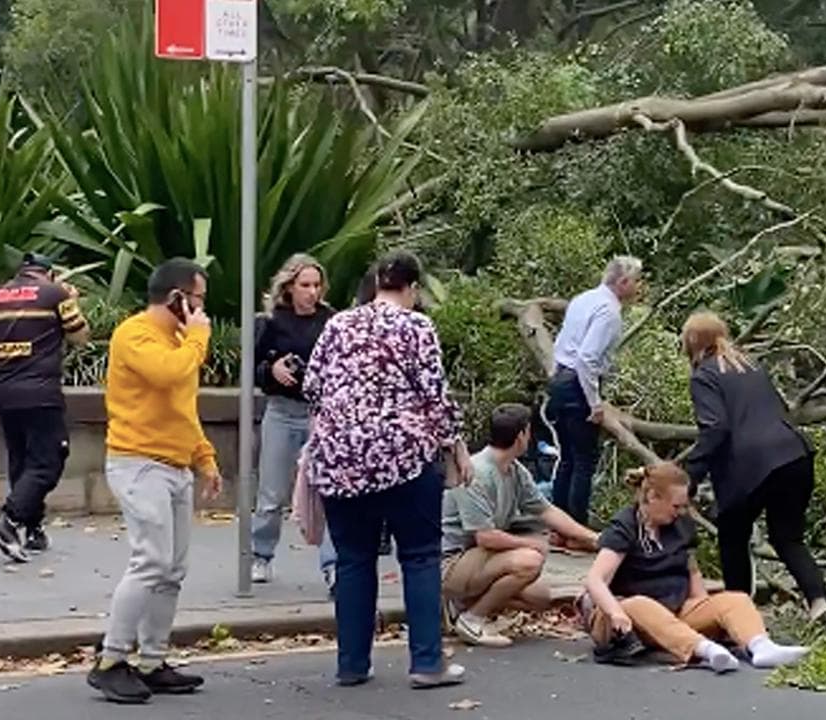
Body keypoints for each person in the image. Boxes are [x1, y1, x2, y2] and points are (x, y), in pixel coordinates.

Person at [303, 250, 471, 689]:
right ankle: (426, 663)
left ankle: (352, 664)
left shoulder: (337, 323)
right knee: (418, 556)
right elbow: (435, 395)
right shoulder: (417, 326)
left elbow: (312, 387)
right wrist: (456, 444)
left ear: (377, 283)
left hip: (340, 459)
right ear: (412, 288)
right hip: (403, 457)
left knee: (354, 560)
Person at [86, 258, 224, 704]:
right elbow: (169, 373)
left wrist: (205, 457)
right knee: (150, 561)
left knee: (173, 569)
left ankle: (151, 660)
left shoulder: (180, 341)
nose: (204, 309)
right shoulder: (136, 334)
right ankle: (110, 660)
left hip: (176, 465)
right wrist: (199, 335)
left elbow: (182, 405)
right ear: (177, 298)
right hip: (138, 462)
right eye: (199, 299)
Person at [582, 462, 809, 671]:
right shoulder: (625, 527)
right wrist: (615, 612)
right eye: (675, 506)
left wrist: (706, 608)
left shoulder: (680, 526)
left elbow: (692, 571)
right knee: (639, 605)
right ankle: (705, 650)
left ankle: (761, 647)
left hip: (673, 613)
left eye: (683, 506)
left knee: (735, 599)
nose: (680, 512)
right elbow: (595, 580)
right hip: (624, 620)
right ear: (652, 496)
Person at [680, 311, 826, 622]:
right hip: (795, 455)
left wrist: (688, 478)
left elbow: (716, 429)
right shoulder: (751, 366)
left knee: (732, 535)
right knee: (788, 538)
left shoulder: (704, 375)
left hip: (751, 465)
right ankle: (819, 602)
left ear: (692, 342)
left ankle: (740, 615)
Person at [441, 404, 599, 648]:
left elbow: (547, 511)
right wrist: (531, 543)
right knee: (528, 560)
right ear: (521, 436)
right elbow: (485, 537)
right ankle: (472, 619)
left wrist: (595, 539)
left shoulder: (515, 471)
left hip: (481, 559)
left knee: (539, 598)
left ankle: (463, 608)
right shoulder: (477, 472)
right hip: (450, 563)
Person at [0, 252, 89, 562]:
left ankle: (33, 530)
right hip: (41, 390)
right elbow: (80, 336)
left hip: (3, 389)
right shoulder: (57, 294)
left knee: (21, 460)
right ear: (49, 274)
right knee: (49, 459)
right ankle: (9, 522)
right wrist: (71, 300)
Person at [251, 254, 338, 591]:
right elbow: (254, 368)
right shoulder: (271, 321)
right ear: (289, 287)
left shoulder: (331, 320)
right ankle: (261, 554)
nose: (312, 292)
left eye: (317, 285)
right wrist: (272, 370)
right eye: (305, 285)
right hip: (282, 410)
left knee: (329, 492)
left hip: (320, 412)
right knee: (271, 492)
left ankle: (332, 564)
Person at [547, 256, 644, 524]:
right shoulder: (608, 312)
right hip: (578, 385)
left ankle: (559, 525)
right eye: (635, 281)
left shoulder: (583, 299)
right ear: (623, 282)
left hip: (560, 380)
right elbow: (587, 359)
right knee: (583, 460)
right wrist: (595, 403)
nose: (638, 287)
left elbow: (563, 344)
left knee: (567, 458)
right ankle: (575, 526)